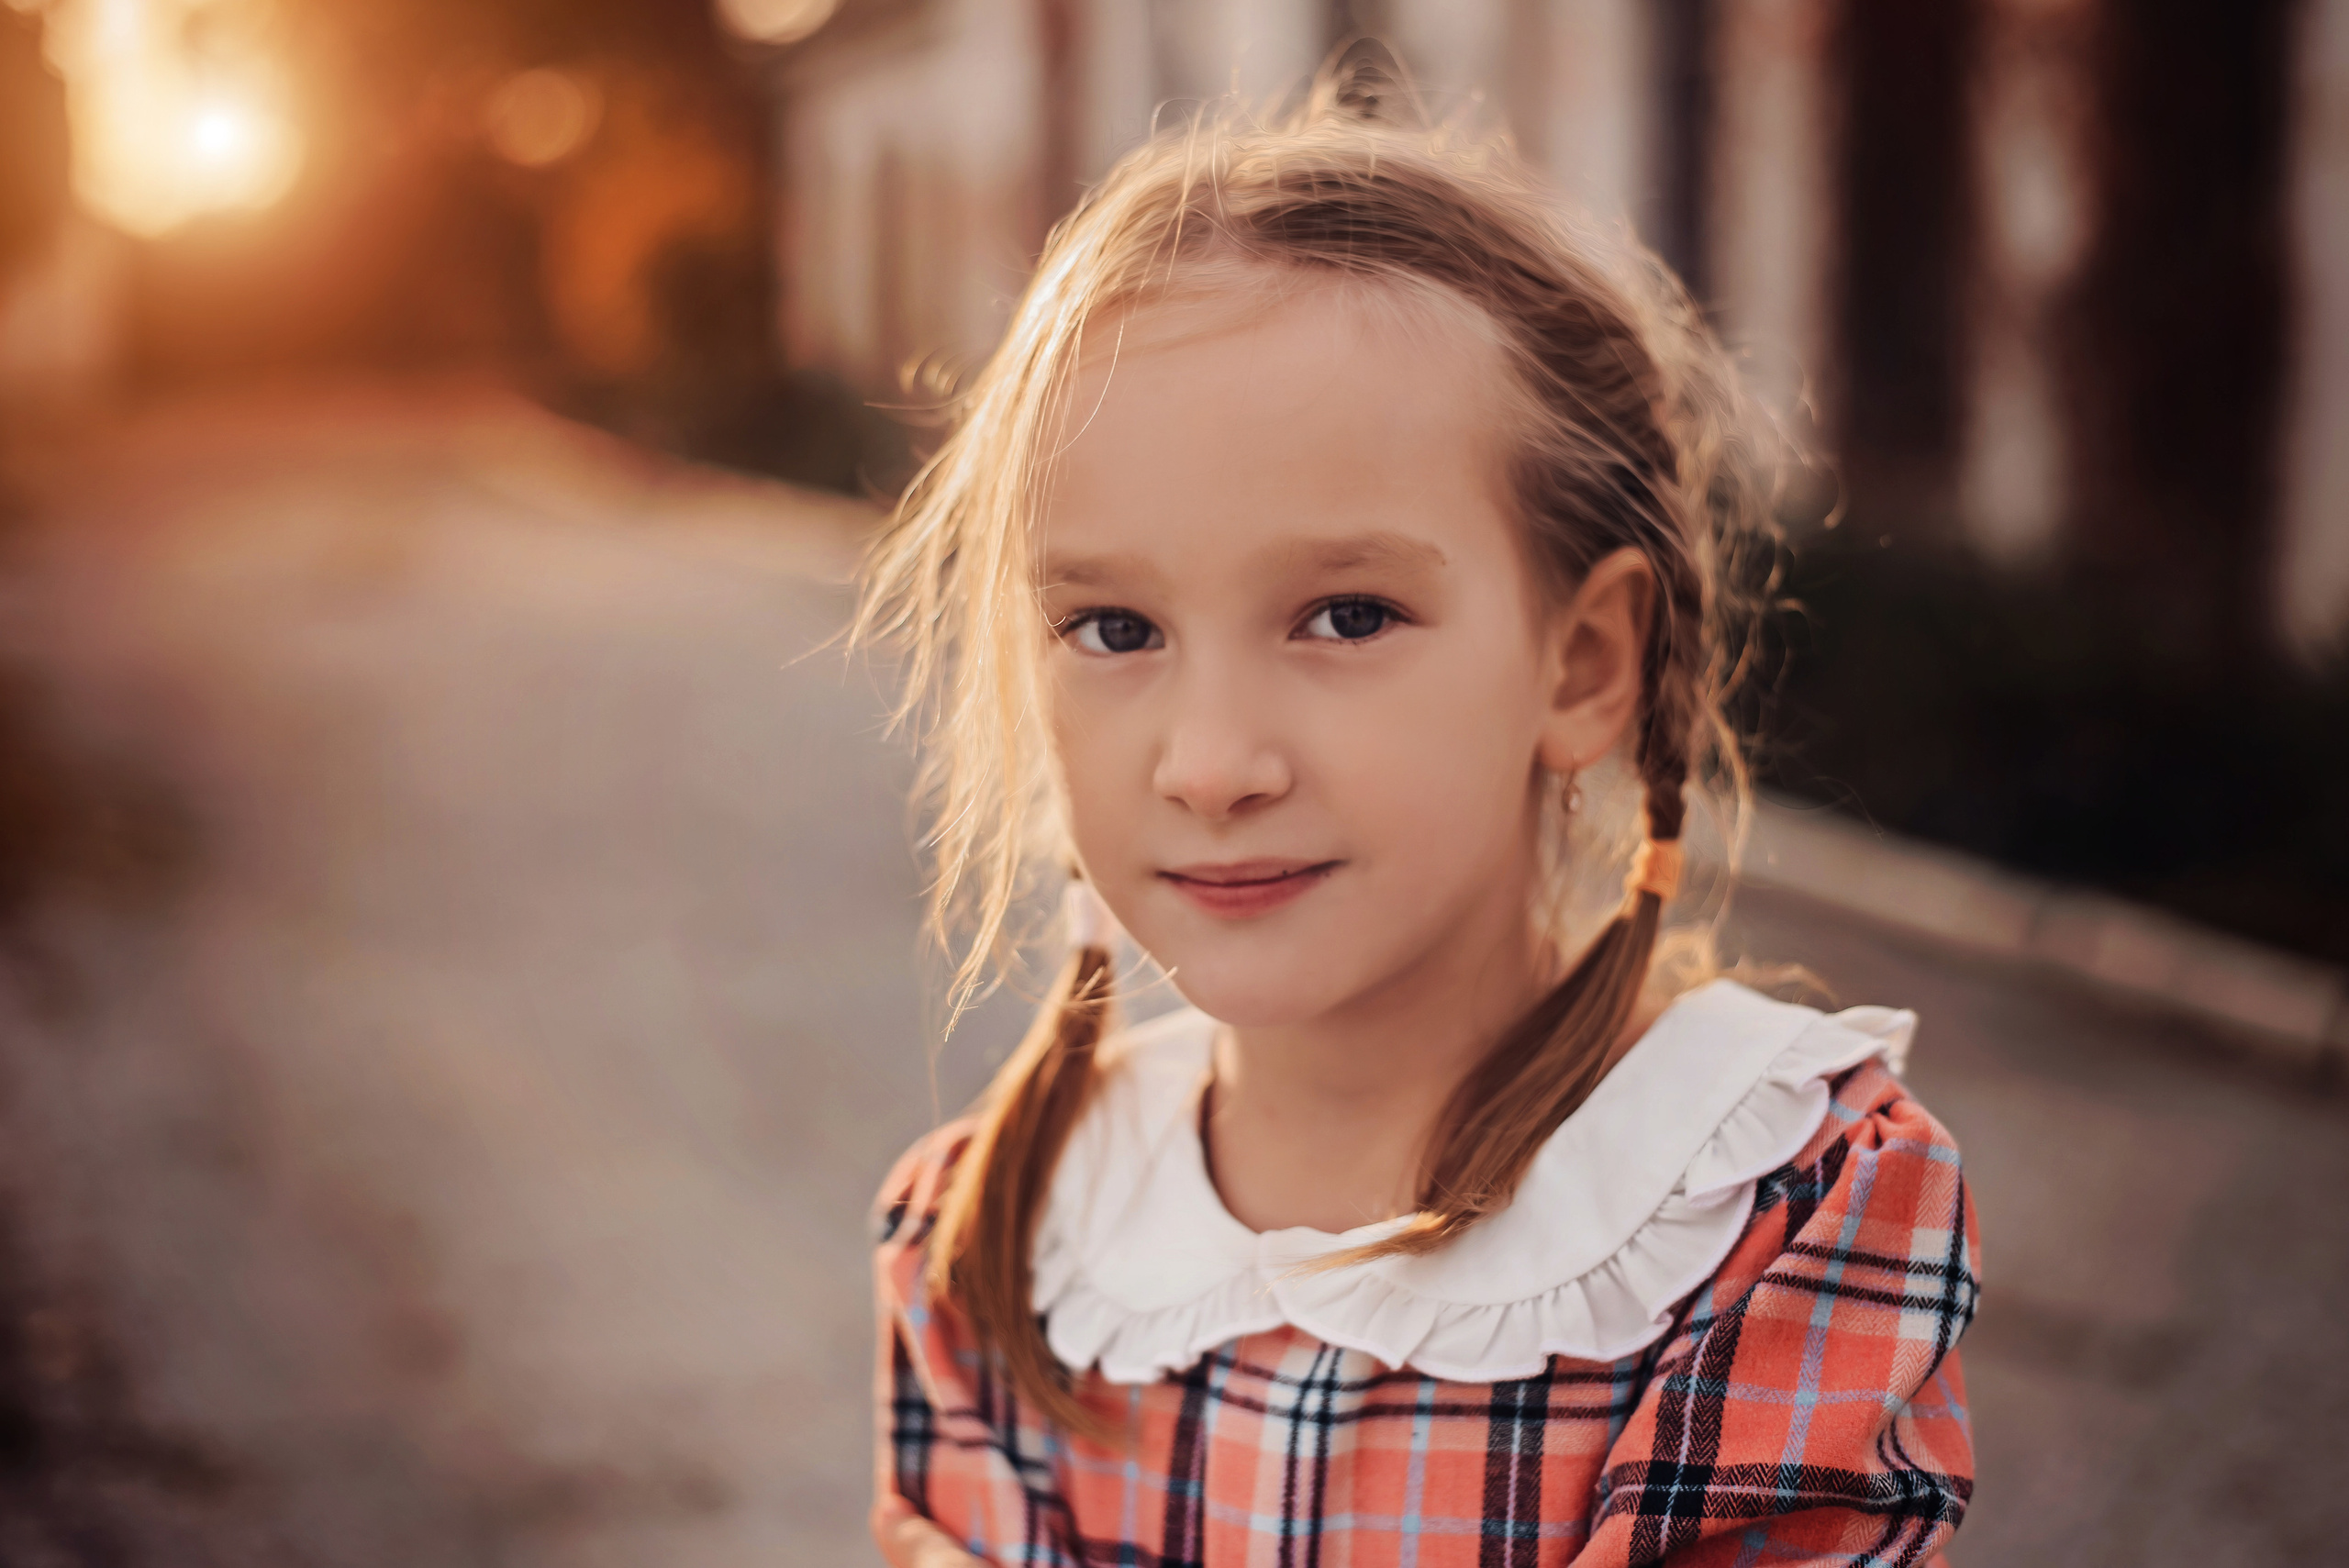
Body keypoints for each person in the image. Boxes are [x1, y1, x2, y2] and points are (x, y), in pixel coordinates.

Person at [855, 69, 1978, 1568]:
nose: (1209, 762)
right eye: (1115, 628)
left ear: (1581, 663)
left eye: (1346, 612)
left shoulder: (1772, 1205)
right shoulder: (990, 1235)